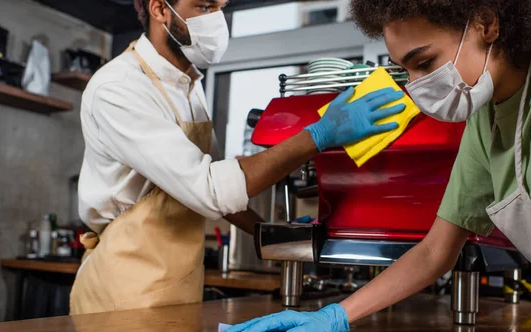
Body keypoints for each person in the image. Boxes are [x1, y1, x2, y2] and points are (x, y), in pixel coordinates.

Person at [227, 0, 531, 332]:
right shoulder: (486, 125)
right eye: (405, 70)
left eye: (425, 63)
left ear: (486, 24)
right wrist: (335, 314)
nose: (415, 86)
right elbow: (434, 252)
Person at [69, 0, 406, 315]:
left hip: (176, 285)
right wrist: (318, 135)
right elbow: (210, 190)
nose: (217, 19)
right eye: (204, 6)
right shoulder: (120, 87)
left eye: (221, 6)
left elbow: (216, 178)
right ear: (160, 9)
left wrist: (268, 232)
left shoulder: (187, 85)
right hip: (123, 289)